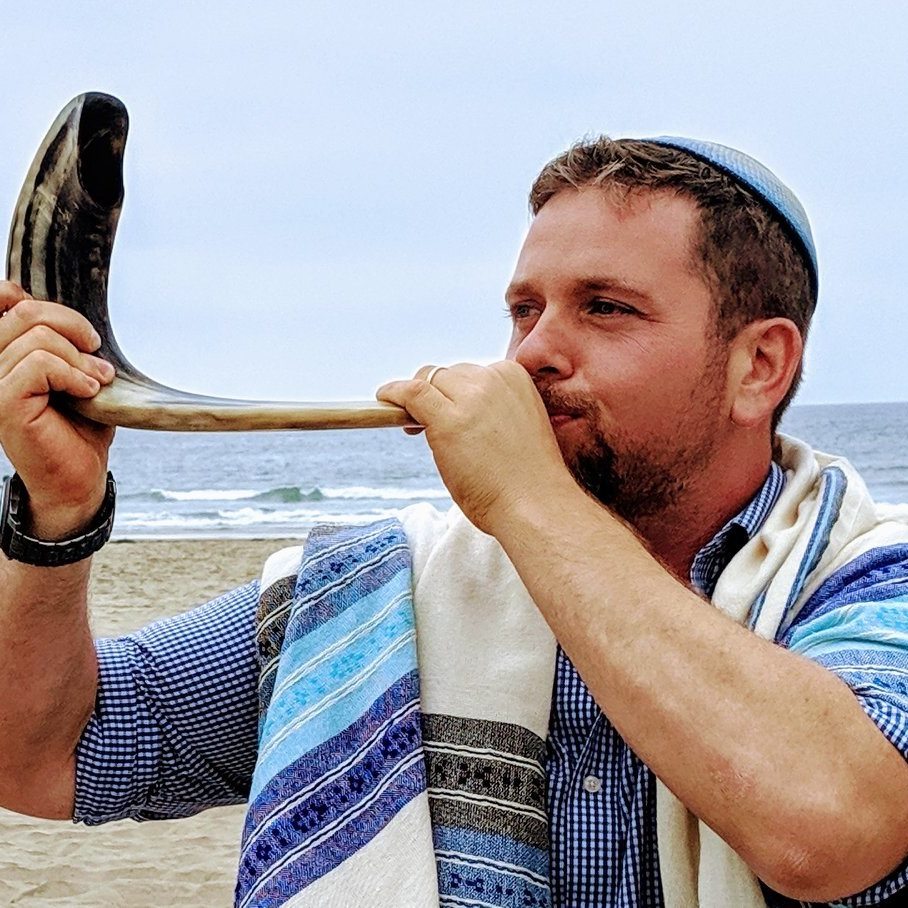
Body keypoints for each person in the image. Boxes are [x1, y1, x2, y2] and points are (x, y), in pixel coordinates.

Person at [0, 135, 906, 908]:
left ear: (760, 365)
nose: (533, 352)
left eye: (605, 308)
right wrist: (56, 515)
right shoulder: (374, 594)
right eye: (525, 310)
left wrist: (526, 499)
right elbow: (42, 755)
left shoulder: (874, 576)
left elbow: (833, 826)